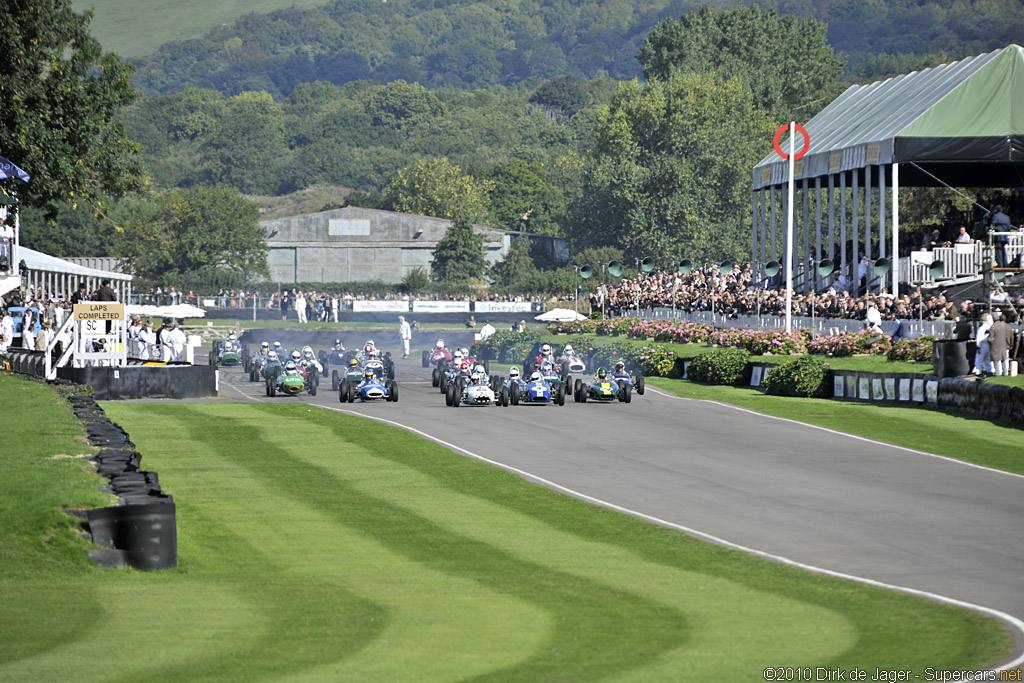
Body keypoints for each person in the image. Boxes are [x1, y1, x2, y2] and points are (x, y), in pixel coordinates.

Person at [988, 312, 1014, 376]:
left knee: (997, 360)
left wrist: (989, 341)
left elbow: (991, 338)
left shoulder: (992, 327)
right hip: (1004, 345)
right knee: (1005, 359)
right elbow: (1008, 336)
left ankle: (998, 373)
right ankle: (1006, 373)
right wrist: (1009, 344)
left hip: (995, 345)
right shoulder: (1004, 325)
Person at [973, 312, 993, 376]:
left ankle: (978, 371)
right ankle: (989, 370)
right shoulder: (992, 327)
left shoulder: (982, 328)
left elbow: (979, 338)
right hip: (989, 345)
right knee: (988, 358)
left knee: (979, 358)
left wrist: (978, 347)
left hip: (982, 345)